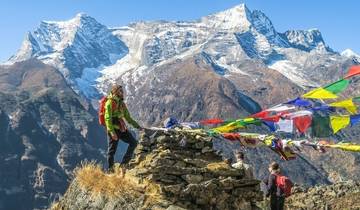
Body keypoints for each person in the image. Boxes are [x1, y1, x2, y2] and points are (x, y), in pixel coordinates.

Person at [105, 84, 143, 173]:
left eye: (122, 91)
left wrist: (138, 126)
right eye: (120, 91)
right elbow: (107, 119)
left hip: (121, 129)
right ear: (115, 91)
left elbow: (128, 118)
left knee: (133, 143)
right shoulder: (109, 103)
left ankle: (123, 164)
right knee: (111, 151)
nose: (122, 93)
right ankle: (111, 170)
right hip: (113, 130)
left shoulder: (122, 104)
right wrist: (112, 132)